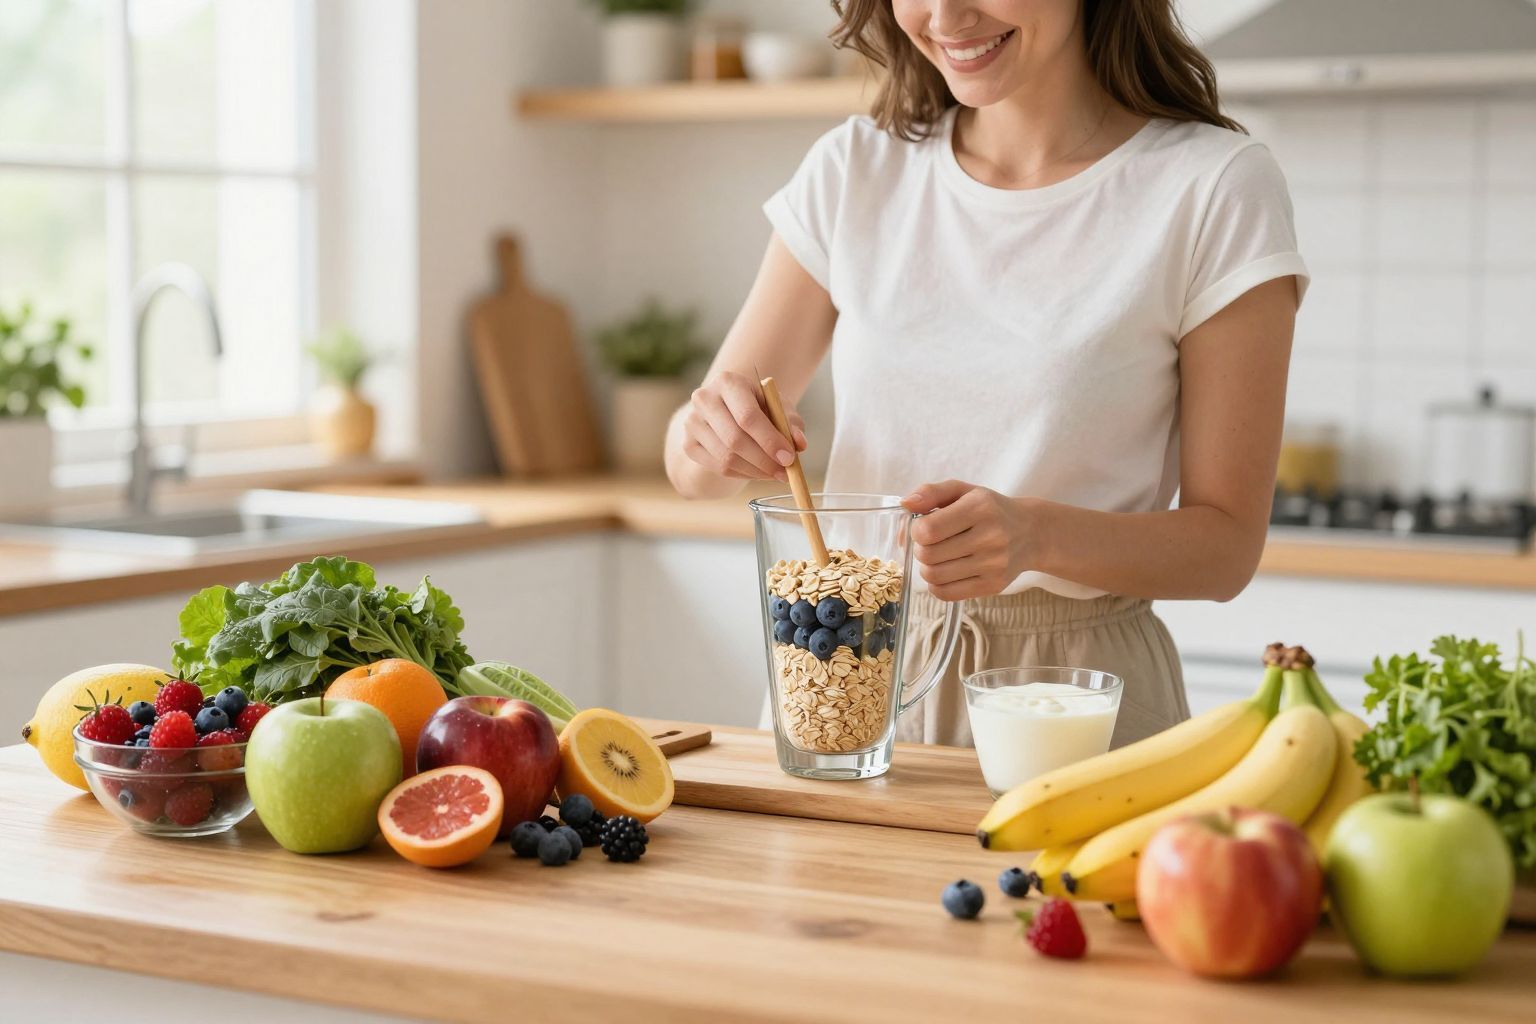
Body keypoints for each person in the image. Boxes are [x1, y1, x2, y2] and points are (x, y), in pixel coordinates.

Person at [663, 0, 1307, 749]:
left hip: (1077, 698)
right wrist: (708, 436)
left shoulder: (1215, 186)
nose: (946, 15)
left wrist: (1036, 536)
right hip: (847, 674)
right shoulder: (856, 168)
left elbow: (1226, 550)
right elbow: (692, 466)